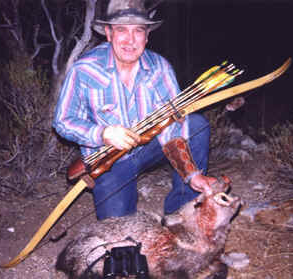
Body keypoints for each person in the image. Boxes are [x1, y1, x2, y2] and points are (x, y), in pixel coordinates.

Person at [53, 0, 220, 220]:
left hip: (149, 147)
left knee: (196, 124)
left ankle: (180, 214)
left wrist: (192, 174)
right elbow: (63, 121)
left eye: (138, 31)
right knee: (119, 238)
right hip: (109, 160)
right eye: (121, 30)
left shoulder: (160, 67)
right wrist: (103, 134)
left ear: (147, 36)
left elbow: (172, 127)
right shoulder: (84, 69)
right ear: (108, 33)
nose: (130, 40)